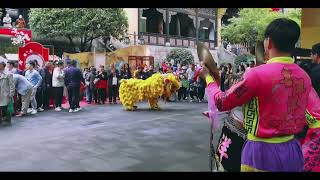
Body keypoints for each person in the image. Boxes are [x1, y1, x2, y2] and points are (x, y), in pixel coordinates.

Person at [202, 18, 318, 172]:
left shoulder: (256, 75)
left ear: (268, 42)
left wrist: (208, 78)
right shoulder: (304, 76)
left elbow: (222, 102)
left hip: (262, 152)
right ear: (294, 45)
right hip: (292, 149)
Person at [0, 60, 15, 125]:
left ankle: (7, 118)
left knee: (5, 107)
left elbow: (12, 85)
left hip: (5, 94)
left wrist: (11, 93)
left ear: (3, 65)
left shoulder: (8, 74)